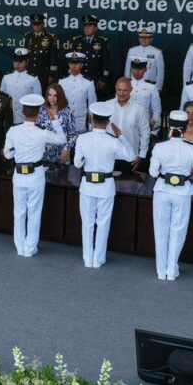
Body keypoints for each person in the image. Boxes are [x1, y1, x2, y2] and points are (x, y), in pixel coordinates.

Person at [74, 102, 135, 268]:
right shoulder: (113, 141)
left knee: (87, 222)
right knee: (103, 223)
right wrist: (120, 136)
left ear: (92, 119)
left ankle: (88, 258)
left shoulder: (82, 138)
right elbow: (131, 157)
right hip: (106, 185)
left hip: (87, 185)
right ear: (108, 121)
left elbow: (77, 164)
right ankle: (98, 259)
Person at [4, 93, 66, 257]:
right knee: (34, 212)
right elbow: (61, 139)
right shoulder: (41, 132)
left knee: (19, 212)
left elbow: (8, 155)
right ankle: (30, 248)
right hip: (36, 175)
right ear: (39, 114)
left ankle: (19, 247)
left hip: (19, 174)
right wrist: (54, 120)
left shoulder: (13, 131)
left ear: (23, 112)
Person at [149, 110, 193, 281]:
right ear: (185, 127)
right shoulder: (192, 149)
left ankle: (161, 271)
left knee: (160, 230)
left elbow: (153, 172)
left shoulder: (160, 147)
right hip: (182, 192)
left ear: (169, 125)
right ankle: (171, 269)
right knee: (178, 231)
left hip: (162, 190)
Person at [107, 77, 150, 173]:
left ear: (131, 90)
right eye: (119, 90)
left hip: (130, 157)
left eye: (125, 90)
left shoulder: (139, 109)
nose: (121, 93)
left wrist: (141, 156)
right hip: (108, 156)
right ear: (115, 88)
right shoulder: (107, 106)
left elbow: (145, 133)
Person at [64, 14, 110, 93]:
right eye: (85, 26)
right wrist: (70, 77)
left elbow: (105, 63)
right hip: (79, 78)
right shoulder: (77, 41)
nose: (86, 28)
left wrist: (104, 79)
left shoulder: (102, 42)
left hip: (95, 79)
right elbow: (71, 61)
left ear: (95, 28)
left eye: (89, 26)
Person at [38, 83, 77, 166]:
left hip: (61, 155)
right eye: (50, 95)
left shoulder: (67, 112)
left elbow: (73, 135)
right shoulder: (41, 111)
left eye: (55, 96)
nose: (52, 98)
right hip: (42, 155)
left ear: (60, 96)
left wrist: (66, 149)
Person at [0, 48, 42, 124]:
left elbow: (38, 101)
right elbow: (1, 97)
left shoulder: (33, 79)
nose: (17, 64)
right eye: (15, 61)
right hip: (8, 118)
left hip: (25, 120)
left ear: (26, 62)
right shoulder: (6, 77)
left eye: (20, 62)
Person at [59, 52, 96, 132]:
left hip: (81, 122)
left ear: (81, 65)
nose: (73, 66)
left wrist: (91, 127)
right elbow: (58, 103)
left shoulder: (88, 82)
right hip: (64, 122)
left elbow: (92, 106)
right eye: (71, 63)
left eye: (76, 63)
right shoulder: (62, 81)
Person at [23, 13, 59, 89]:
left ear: (43, 24)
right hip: (30, 72)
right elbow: (25, 56)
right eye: (34, 24)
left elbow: (53, 59)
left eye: (38, 24)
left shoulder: (50, 37)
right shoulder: (28, 36)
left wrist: (51, 75)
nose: (36, 26)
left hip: (44, 73)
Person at [128, 57, 162, 136]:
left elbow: (156, 110)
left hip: (144, 127)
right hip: (127, 125)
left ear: (145, 70)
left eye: (140, 69)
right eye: (134, 69)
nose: (136, 72)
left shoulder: (151, 87)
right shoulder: (125, 84)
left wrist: (153, 132)